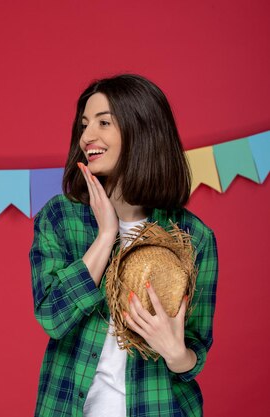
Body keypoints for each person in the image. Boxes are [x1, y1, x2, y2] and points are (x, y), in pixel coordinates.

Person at [29, 74, 218, 417]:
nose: (87, 136)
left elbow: (194, 351)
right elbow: (52, 318)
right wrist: (105, 236)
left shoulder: (194, 236)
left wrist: (174, 352)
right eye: (84, 124)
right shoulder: (60, 218)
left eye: (104, 122)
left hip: (160, 407)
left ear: (141, 130)